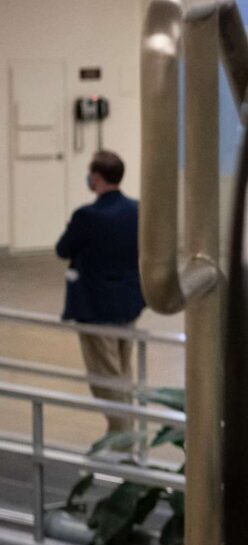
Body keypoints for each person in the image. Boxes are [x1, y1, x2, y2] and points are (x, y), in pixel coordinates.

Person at [55, 150, 144, 438]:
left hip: (96, 306)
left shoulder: (87, 216)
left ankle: (122, 438)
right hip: (127, 304)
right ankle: (124, 432)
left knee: (104, 377)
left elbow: (63, 249)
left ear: (95, 178)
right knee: (122, 372)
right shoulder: (138, 210)